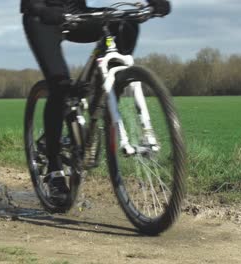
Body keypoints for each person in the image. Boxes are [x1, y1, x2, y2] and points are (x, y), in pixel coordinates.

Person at [21, 0, 171, 204]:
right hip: (43, 17)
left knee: (125, 24)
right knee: (60, 86)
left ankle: (100, 106)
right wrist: (38, 8)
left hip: (78, 14)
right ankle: (54, 168)